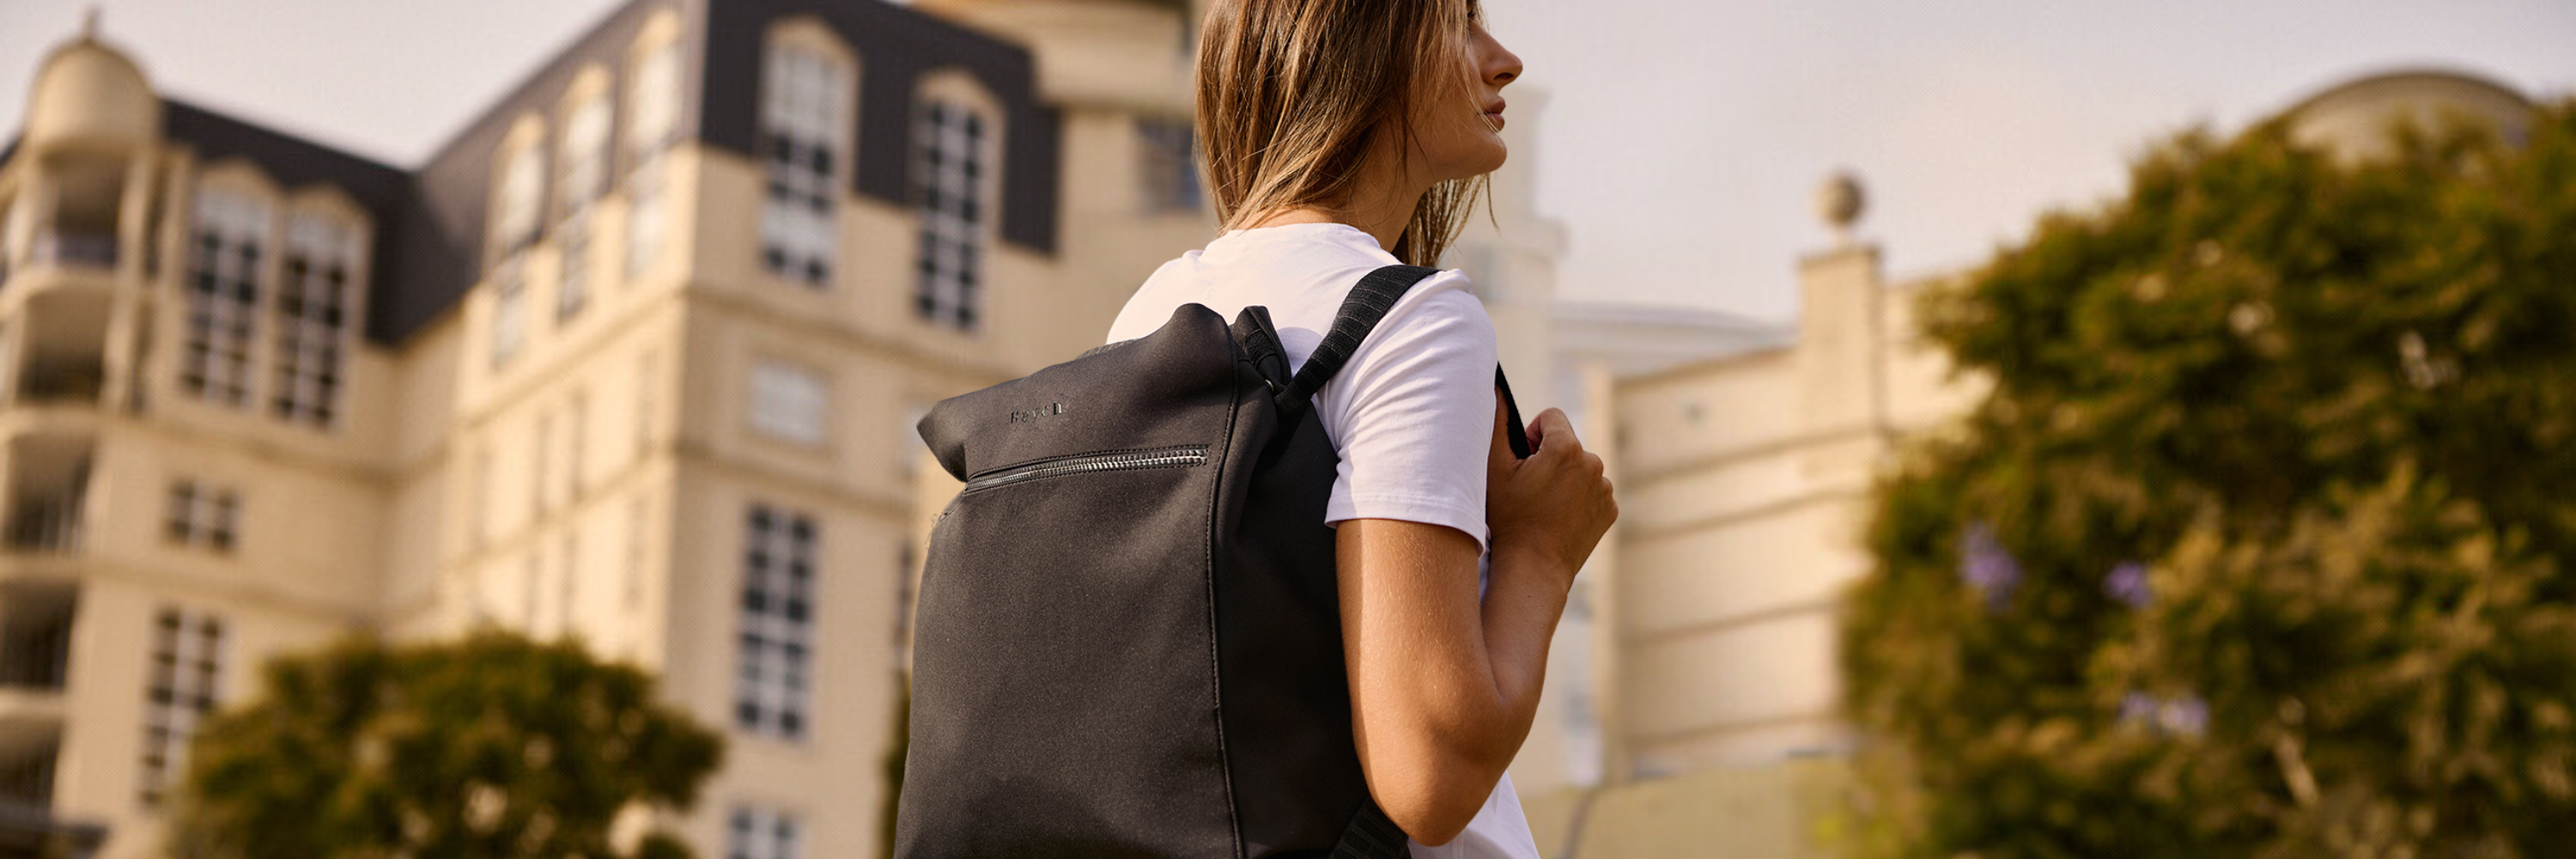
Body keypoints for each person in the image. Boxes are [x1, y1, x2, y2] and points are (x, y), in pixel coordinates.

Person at [1103, 0, 1618, 854]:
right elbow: (1429, 777)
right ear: (1360, 47)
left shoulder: (1150, 312)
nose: (1504, 62)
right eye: (1459, 25)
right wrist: (1542, 552)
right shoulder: (1411, 318)